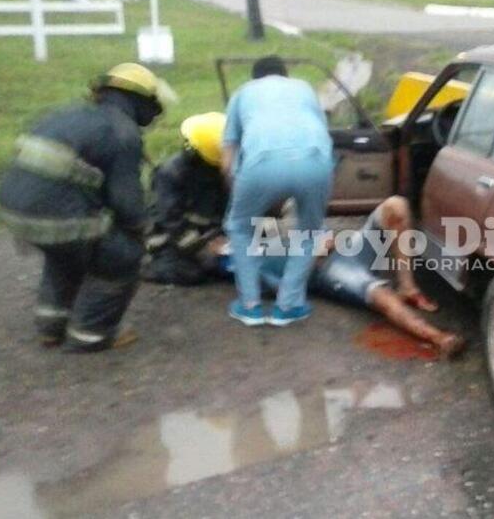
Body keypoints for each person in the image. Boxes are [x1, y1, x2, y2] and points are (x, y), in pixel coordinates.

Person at [0, 63, 175, 352]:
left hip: (13, 210)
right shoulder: (122, 131)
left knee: (67, 253)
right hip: (56, 217)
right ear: (141, 100)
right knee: (122, 257)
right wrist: (144, 232)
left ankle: (51, 327)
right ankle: (91, 333)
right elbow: (127, 204)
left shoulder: (69, 115)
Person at [212, 196, 465, 358]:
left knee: (395, 206)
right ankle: (438, 338)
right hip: (328, 271)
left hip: (347, 247)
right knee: (378, 295)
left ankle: (408, 286)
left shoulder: (288, 207)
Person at [223, 55, 334, 327]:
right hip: (316, 161)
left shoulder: (242, 93)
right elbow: (321, 130)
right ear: (285, 75)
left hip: (262, 161)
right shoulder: (305, 88)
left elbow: (228, 159)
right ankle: (289, 306)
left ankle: (249, 306)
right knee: (308, 232)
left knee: (239, 227)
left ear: (255, 78)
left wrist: (238, 198)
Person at [141, 112, 229, 286]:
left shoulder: (219, 171)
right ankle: (147, 265)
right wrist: (204, 248)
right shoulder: (170, 175)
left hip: (210, 235)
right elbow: (170, 221)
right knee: (189, 274)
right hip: (171, 240)